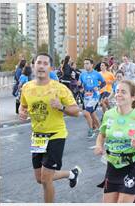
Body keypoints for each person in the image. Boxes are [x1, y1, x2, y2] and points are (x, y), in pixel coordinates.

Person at [18, 53, 81, 203]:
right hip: (37, 136)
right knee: (40, 178)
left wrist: (61, 107)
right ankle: (71, 174)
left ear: (50, 68)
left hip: (56, 134)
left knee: (46, 179)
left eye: (45, 63)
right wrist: (21, 111)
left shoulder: (59, 88)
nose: (41, 66)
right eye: (38, 62)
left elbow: (76, 111)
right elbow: (23, 104)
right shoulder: (27, 87)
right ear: (34, 66)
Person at [94, 80, 135, 203]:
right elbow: (102, 134)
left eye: (123, 92)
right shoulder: (109, 114)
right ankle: (134, 197)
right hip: (112, 165)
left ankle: (132, 194)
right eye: (117, 91)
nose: (118, 94)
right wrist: (98, 145)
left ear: (133, 97)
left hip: (132, 166)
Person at [78, 58, 106, 138]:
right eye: (84, 63)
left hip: (95, 96)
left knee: (86, 113)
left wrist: (98, 87)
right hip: (86, 96)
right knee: (92, 114)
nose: (85, 65)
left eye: (87, 63)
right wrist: (80, 86)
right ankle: (100, 129)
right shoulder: (82, 74)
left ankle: (91, 130)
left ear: (91, 65)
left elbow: (104, 83)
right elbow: (80, 87)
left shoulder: (96, 74)